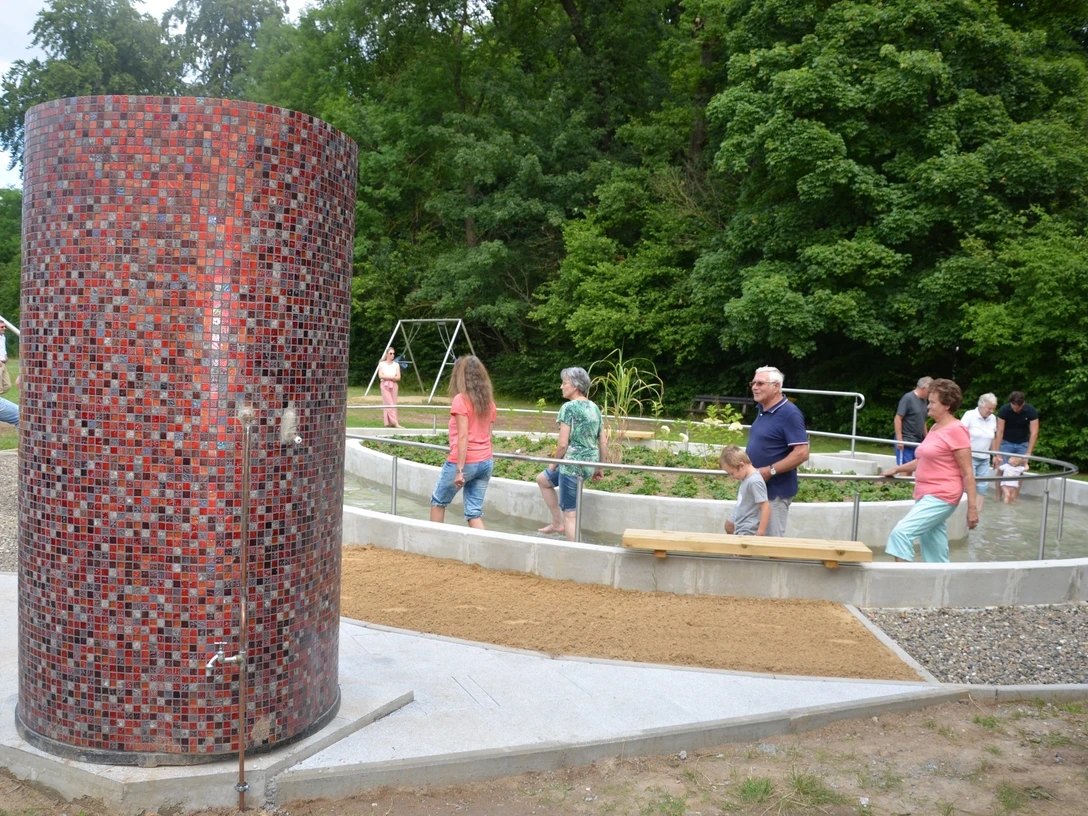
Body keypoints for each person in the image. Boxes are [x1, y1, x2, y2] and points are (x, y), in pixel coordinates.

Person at [882, 378, 979, 563]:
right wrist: (897, 468)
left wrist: (972, 509)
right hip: (926, 494)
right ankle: (941, 587)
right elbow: (924, 459)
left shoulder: (956, 430)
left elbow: (967, 472)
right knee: (935, 551)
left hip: (942, 495)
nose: (928, 406)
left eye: (933, 402)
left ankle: (905, 586)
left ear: (947, 405)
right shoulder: (935, 427)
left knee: (900, 534)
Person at [536, 367, 608, 541]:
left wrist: (553, 464)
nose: (561, 387)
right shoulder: (594, 407)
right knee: (543, 479)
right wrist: (600, 467)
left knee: (571, 514)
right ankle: (555, 523)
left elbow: (562, 444)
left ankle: (576, 555)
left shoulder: (568, 408)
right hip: (588, 465)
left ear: (575, 386)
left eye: (564, 383)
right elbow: (603, 441)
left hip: (571, 466)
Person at [429, 356, 497, 529]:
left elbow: (463, 436)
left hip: (466, 462)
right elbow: (488, 435)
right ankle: (485, 550)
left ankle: (435, 547)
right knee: (474, 512)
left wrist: (459, 470)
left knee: (438, 501)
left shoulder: (461, 400)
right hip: (485, 461)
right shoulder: (489, 403)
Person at [744, 366, 809, 537]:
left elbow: (802, 452)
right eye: (753, 383)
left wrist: (770, 470)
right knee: (734, 528)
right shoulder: (762, 410)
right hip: (757, 487)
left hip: (775, 492)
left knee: (772, 545)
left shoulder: (789, 414)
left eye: (760, 383)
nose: (754, 387)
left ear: (776, 387)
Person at [960, 393, 998, 511]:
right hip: (969, 456)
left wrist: (995, 455)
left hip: (985, 457)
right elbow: (960, 434)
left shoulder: (993, 418)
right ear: (981, 406)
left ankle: (977, 513)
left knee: (983, 486)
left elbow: (993, 438)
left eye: (993, 409)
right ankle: (964, 511)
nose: (991, 411)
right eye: (989, 408)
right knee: (969, 484)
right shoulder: (970, 415)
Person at [720, 445, 770, 536]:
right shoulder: (747, 479)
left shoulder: (754, 481)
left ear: (741, 465)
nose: (732, 477)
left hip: (749, 531)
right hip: (741, 528)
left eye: (732, 473)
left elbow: (765, 507)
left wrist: (760, 532)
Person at [992, 391, 1039, 466]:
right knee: (1001, 467)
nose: (1015, 410)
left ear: (1023, 403)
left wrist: (1028, 452)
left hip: (1022, 444)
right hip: (1006, 442)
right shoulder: (1004, 410)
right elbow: (1000, 431)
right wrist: (997, 452)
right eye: (1013, 406)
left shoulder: (1031, 411)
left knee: (1019, 470)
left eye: (1018, 408)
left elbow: (1034, 432)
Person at [894, 377, 932, 466]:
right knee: (905, 469)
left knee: (915, 467)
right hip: (905, 439)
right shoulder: (908, 398)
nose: (930, 394)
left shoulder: (924, 401)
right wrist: (900, 440)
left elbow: (923, 420)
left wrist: (927, 439)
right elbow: (898, 418)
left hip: (917, 441)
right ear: (924, 388)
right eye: (929, 391)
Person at [378, 347, 405, 429]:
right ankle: (395, 422)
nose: (392, 355)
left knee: (393, 403)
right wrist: (391, 377)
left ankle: (388, 422)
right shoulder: (382, 364)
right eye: (390, 353)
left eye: (393, 353)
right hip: (384, 384)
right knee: (389, 403)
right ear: (387, 354)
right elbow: (381, 375)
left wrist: (390, 378)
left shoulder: (396, 365)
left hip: (393, 385)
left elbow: (398, 377)